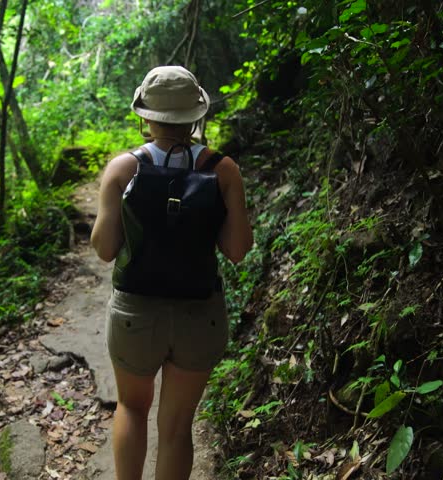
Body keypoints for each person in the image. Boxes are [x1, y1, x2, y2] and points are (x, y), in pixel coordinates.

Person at [90, 65, 253, 480]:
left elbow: (105, 249)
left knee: (131, 407)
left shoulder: (123, 170)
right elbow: (236, 250)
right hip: (199, 315)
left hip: (135, 314)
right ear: (196, 114)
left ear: (146, 116)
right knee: (178, 429)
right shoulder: (223, 170)